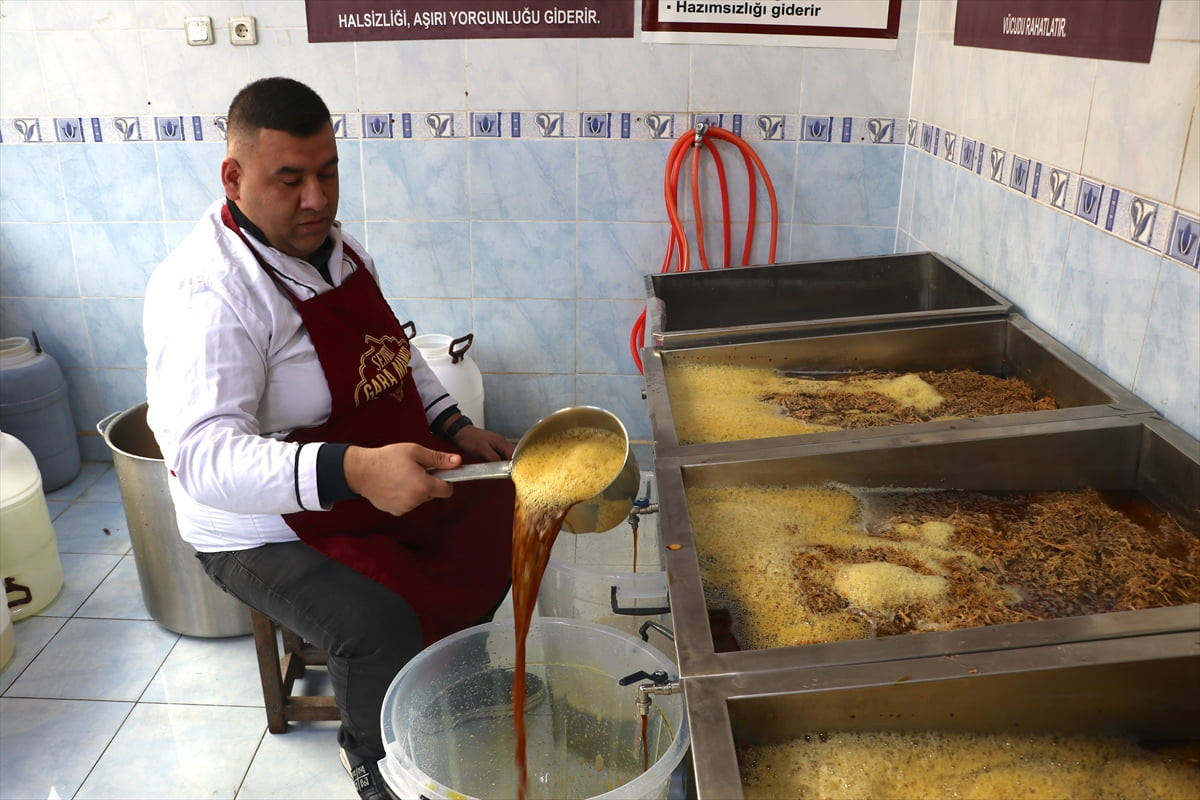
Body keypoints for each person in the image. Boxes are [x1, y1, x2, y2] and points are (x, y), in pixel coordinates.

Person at [143, 76, 516, 800]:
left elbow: (396, 364)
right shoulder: (206, 292)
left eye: (328, 172)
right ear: (235, 177)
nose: (317, 199)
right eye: (290, 180)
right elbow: (203, 460)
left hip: (367, 478)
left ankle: (462, 679)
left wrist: (456, 428)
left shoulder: (339, 252)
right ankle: (375, 760)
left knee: (506, 513)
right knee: (378, 621)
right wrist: (357, 471)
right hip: (259, 525)